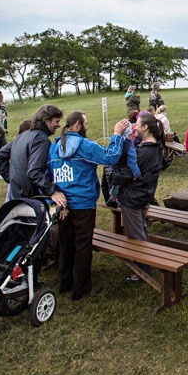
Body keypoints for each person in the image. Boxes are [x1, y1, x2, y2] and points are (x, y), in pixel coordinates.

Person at [50, 112, 127, 301]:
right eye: (85, 123)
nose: (87, 126)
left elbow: (49, 172)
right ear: (77, 125)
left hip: (63, 203)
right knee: (83, 245)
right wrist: (117, 135)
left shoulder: (54, 147)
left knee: (66, 243)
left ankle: (65, 282)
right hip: (83, 202)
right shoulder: (85, 145)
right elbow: (111, 157)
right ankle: (81, 288)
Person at [115, 113, 164, 280]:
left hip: (133, 199)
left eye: (137, 124)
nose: (134, 127)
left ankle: (142, 271)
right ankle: (144, 264)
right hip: (143, 196)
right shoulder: (154, 147)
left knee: (136, 237)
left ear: (145, 127)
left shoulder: (143, 153)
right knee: (141, 230)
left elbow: (123, 174)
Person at [1, 104, 65, 204]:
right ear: (46, 121)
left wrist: (12, 178)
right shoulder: (42, 139)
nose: (59, 125)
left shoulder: (22, 136)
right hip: (30, 199)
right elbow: (34, 172)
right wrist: (52, 191)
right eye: (56, 121)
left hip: (15, 196)